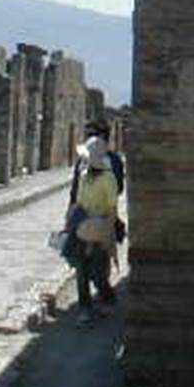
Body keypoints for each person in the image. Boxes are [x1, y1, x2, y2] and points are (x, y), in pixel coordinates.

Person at [69, 135, 119, 326]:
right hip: (83, 228)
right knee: (81, 270)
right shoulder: (83, 177)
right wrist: (70, 222)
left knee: (98, 271)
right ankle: (85, 308)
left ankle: (108, 297)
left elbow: (112, 209)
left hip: (101, 227)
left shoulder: (108, 179)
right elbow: (79, 203)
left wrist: (107, 233)